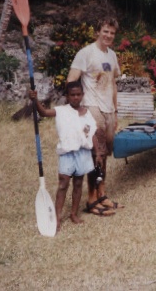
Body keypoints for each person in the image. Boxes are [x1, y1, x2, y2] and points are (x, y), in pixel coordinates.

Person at [29, 81, 114, 233]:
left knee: (78, 183)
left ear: (82, 95)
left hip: (83, 152)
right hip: (67, 152)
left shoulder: (86, 113)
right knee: (63, 184)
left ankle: (73, 214)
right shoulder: (61, 111)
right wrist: (35, 100)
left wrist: (98, 153)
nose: (75, 97)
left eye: (78, 94)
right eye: (72, 95)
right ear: (67, 96)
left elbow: (92, 133)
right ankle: (56, 216)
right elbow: (44, 112)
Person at [67, 15, 124, 213]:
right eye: (105, 31)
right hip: (92, 108)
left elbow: (113, 84)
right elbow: (71, 80)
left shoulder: (112, 55)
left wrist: (115, 112)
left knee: (105, 154)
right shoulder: (86, 53)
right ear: (98, 32)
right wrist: (76, 109)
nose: (108, 35)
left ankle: (102, 194)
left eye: (112, 33)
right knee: (95, 155)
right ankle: (91, 200)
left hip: (108, 110)